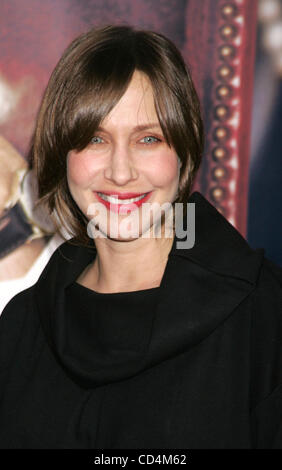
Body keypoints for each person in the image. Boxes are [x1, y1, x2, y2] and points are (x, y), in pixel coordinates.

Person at [0, 25, 281, 449]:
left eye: (148, 139)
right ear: (61, 153)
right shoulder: (21, 325)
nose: (120, 171)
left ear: (184, 152)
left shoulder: (264, 314)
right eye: (95, 138)